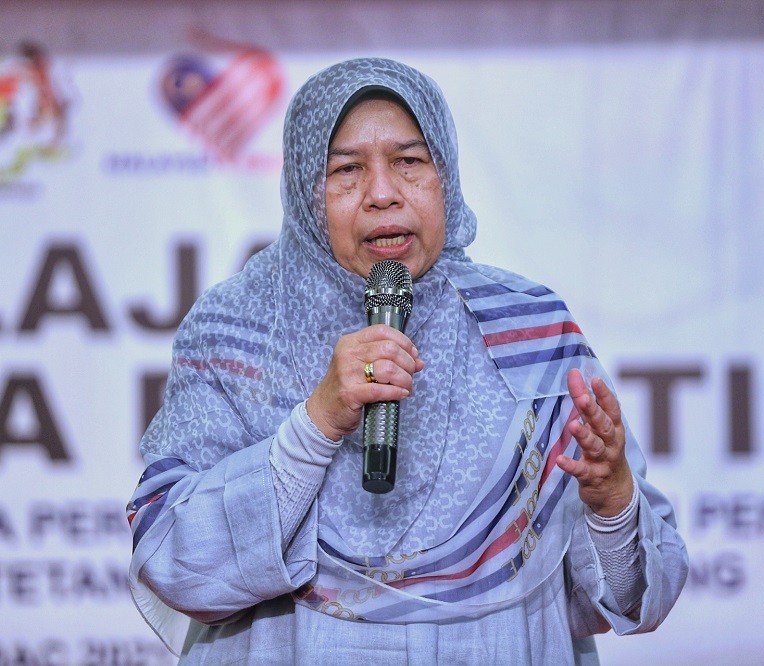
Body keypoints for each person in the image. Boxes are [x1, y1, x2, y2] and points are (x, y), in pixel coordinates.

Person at [127, 57, 688, 664]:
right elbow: (173, 565)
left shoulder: (530, 332)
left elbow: (633, 601)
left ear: (445, 175)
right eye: (347, 169)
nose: (383, 193)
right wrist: (316, 424)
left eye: (409, 162)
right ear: (304, 193)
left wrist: (612, 504)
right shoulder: (238, 331)